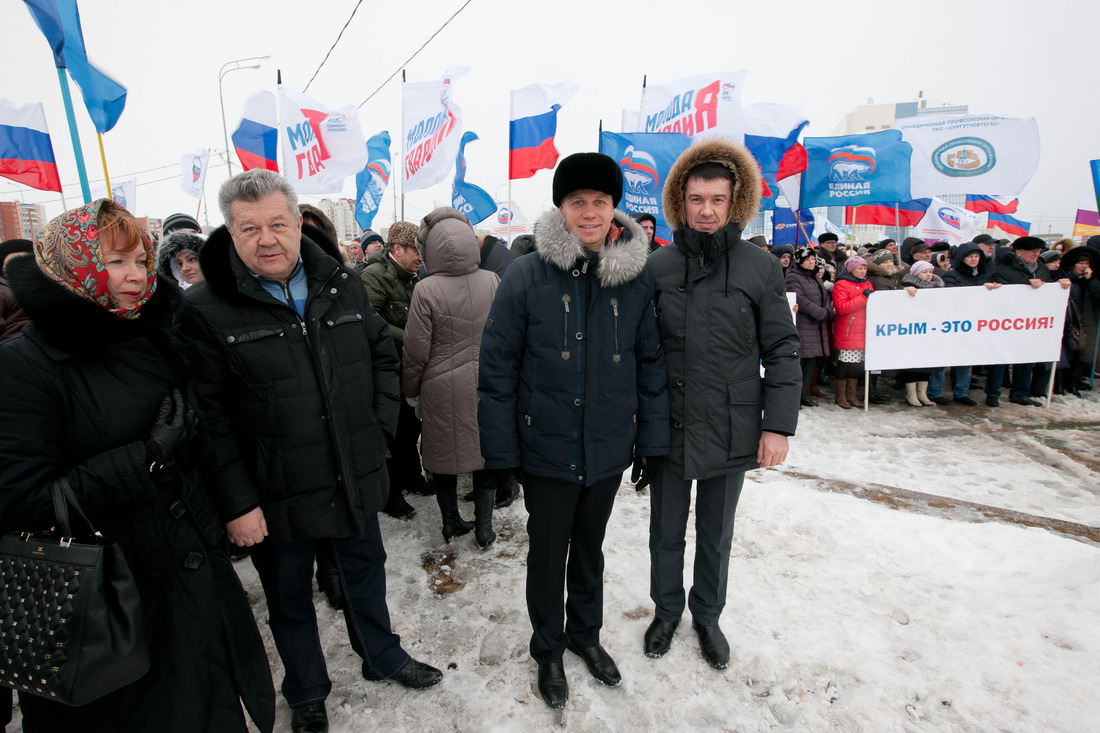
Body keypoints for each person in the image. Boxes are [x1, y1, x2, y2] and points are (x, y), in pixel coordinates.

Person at [179, 170, 442, 733]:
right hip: (274, 486)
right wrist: (237, 503)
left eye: (278, 223)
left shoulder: (340, 283)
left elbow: (380, 354)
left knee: (366, 570)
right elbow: (211, 421)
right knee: (289, 596)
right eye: (250, 228)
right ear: (230, 231)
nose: (267, 239)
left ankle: (382, 654)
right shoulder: (206, 309)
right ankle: (306, 691)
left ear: (298, 223)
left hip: (351, 467)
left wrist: (375, 429)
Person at [0, 199, 275, 733]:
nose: (135, 277)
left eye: (142, 262)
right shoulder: (22, 366)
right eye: (115, 262)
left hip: (189, 576)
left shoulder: (152, 333)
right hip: (108, 604)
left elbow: (202, 437)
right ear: (71, 264)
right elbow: (21, 501)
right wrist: (144, 459)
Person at [478, 152, 669, 709]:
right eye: (577, 201)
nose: (589, 212)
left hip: (608, 448)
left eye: (600, 202)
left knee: (590, 550)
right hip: (546, 446)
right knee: (548, 552)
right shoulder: (525, 274)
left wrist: (650, 442)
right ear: (561, 208)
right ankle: (549, 651)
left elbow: (650, 364)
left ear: (615, 210)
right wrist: (500, 450)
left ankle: (586, 637)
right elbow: (496, 369)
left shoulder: (634, 279)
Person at [644, 139, 800, 671]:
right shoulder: (657, 267)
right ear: (679, 203)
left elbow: (782, 348)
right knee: (665, 531)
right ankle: (666, 611)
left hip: (734, 425)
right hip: (670, 423)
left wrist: (776, 427)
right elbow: (642, 352)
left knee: (716, 534)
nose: (706, 210)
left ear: (734, 202)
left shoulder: (759, 268)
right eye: (695, 199)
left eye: (716, 199)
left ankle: (707, 616)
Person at [402, 208, 504, 548]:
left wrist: (410, 389)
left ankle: (450, 523)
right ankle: (485, 527)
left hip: (440, 386)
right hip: (486, 383)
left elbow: (416, 350)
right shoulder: (491, 279)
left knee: (442, 457)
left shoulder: (425, 288)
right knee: (484, 454)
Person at [362, 221, 430, 517]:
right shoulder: (373, 276)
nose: (420, 257)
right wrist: (413, 340)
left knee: (410, 426)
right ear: (397, 249)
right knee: (391, 430)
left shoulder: (417, 277)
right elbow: (371, 320)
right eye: (416, 250)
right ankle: (390, 495)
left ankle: (412, 478)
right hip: (386, 368)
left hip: (410, 366)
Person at [985, 236, 1071, 406]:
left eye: (1038, 251)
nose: (1036, 254)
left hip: (1031, 323)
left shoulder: (1042, 269)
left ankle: (1020, 393)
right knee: (999, 359)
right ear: (1019, 252)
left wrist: (1059, 285)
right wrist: (1026, 284)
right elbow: (1001, 291)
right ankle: (992, 394)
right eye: (1033, 251)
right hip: (1007, 321)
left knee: (1026, 358)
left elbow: (1047, 290)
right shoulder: (1003, 269)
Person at [941, 241, 1001, 405]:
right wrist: (980, 290)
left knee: (966, 359)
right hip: (954, 322)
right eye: (970, 256)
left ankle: (961, 392)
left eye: (976, 256)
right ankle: (935, 392)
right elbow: (953, 296)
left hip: (976, 322)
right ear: (962, 258)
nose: (974, 260)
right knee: (944, 359)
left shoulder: (984, 274)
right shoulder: (951, 275)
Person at [786, 246, 832, 407]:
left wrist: (827, 309)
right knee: (798, 364)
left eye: (813, 259)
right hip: (802, 324)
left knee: (810, 363)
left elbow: (825, 296)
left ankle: (804, 394)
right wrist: (820, 313)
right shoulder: (792, 277)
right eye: (808, 259)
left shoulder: (814, 277)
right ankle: (794, 397)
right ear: (800, 261)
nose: (812, 262)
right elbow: (799, 298)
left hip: (815, 327)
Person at [897, 261, 945, 407]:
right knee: (913, 362)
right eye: (924, 272)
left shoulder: (938, 288)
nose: (929, 275)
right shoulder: (907, 286)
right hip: (912, 330)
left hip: (930, 329)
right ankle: (911, 393)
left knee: (926, 362)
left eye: (930, 272)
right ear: (916, 274)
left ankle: (922, 393)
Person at [831, 256, 874, 409]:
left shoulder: (867, 283)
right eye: (860, 268)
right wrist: (863, 297)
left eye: (864, 268)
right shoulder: (841, 284)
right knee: (845, 365)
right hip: (848, 330)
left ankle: (852, 394)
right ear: (851, 269)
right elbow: (842, 308)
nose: (863, 272)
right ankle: (840, 395)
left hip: (863, 330)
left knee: (857, 366)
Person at [1061, 245, 1100, 395]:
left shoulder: (1092, 281)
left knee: (1083, 353)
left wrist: (1091, 281)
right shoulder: (1066, 280)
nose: (1084, 267)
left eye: (1087, 264)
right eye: (1081, 263)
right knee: (1068, 353)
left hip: (1087, 321)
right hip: (1069, 322)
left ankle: (1073, 383)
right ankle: (1061, 383)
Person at [0, 238, 33, 341]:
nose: (18, 268)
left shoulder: (43, 287)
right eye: (12, 264)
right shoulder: (3, 291)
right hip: (13, 348)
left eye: (24, 262)